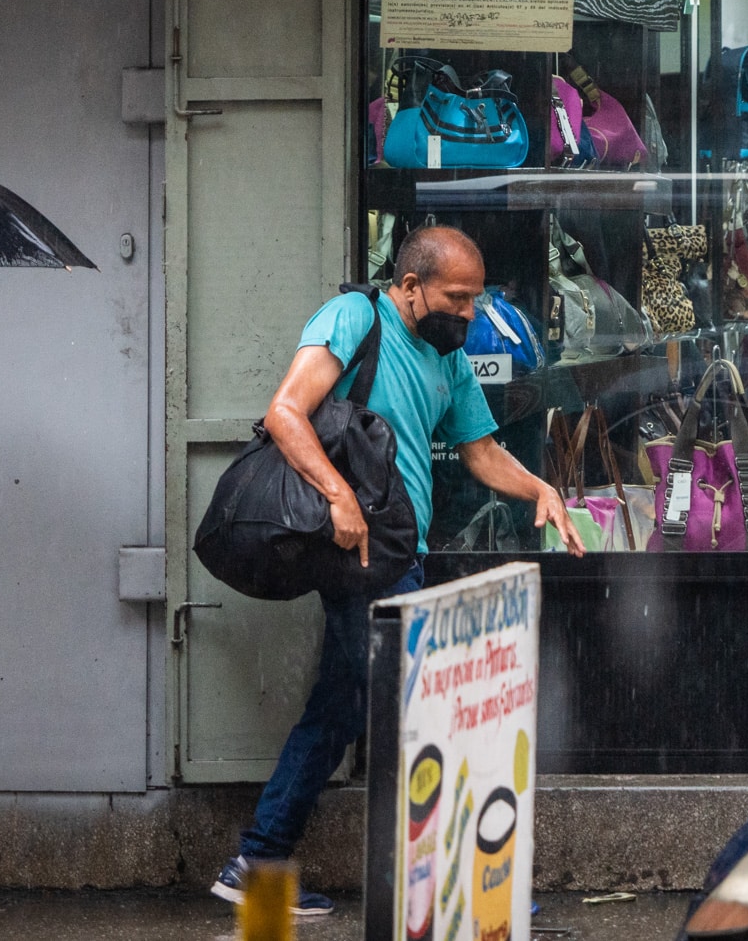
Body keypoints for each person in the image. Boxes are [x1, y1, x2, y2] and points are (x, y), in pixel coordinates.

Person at [211, 225, 584, 915]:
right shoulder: (355, 317)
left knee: (344, 706)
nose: (470, 313)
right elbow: (286, 413)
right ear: (410, 287)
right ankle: (469, 885)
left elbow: (479, 450)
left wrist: (539, 489)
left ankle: (258, 865)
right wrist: (339, 496)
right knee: (419, 713)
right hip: (359, 554)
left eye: (475, 298)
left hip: (396, 554)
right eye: (457, 297)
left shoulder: (449, 355)